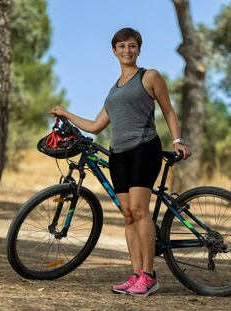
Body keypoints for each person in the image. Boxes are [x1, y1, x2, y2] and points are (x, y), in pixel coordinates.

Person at [50, 27, 191, 297]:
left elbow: (169, 111)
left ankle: (149, 276)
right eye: (122, 46)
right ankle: (136, 274)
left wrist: (177, 141)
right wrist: (64, 113)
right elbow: (95, 125)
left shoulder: (149, 76)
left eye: (132, 46)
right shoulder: (113, 92)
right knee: (127, 215)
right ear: (114, 51)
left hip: (144, 149)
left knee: (140, 211)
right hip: (119, 154)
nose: (127, 50)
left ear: (139, 50)